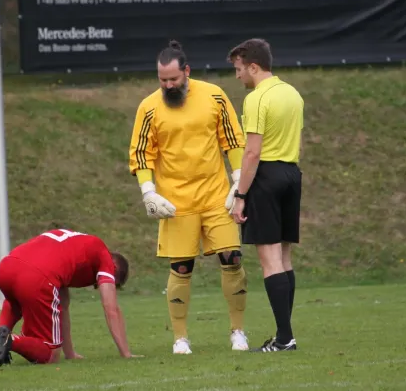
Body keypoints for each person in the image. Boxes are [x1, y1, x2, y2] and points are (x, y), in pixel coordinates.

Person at [128, 40, 249, 354]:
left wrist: (238, 182)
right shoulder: (149, 107)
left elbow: (233, 140)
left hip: (215, 195)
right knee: (181, 268)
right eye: (162, 80)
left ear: (187, 71)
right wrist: (148, 192)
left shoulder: (214, 96)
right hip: (176, 202)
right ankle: (180, 338)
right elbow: (141, 153)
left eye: (174, 79)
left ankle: (238, 331)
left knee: (232, 259)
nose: (168, 85)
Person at [225, 38, 304, 352]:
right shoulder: (292, 93)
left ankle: (285, 338)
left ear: (253, 66)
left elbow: (252, 153)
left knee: (270, 261)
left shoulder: (257, 99)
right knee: (284, 259)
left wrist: (240, 194)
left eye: (239, 69)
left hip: (267, 177)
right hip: (291, 173)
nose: (238, 76)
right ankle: (284, 334)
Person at [0, 229, 141, 369]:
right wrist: (126, 353)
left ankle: (0, 339)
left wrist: (70, 353)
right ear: (114, 271)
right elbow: (111, 308)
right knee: (51, 353)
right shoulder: (105, 259)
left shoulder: (76, 246)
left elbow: (62, 305)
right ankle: (10, 340)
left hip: (8, 265)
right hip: (37, 277)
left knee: (15, 302)